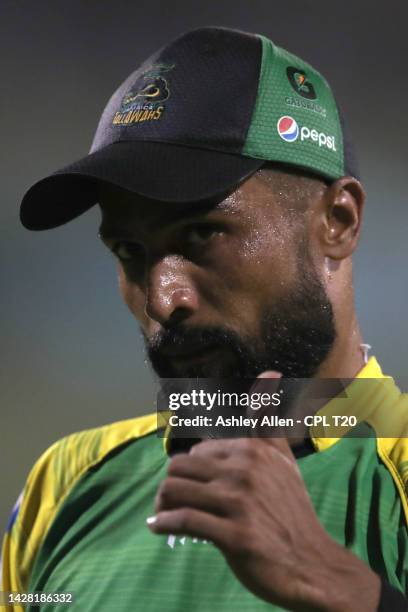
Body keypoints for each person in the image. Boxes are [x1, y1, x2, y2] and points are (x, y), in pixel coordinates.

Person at [2, 26, 408, 611]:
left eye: (202, 233)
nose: (163, 299)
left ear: (338, 221)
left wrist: (334, 584)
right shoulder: (66, 483)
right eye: (129, 253)